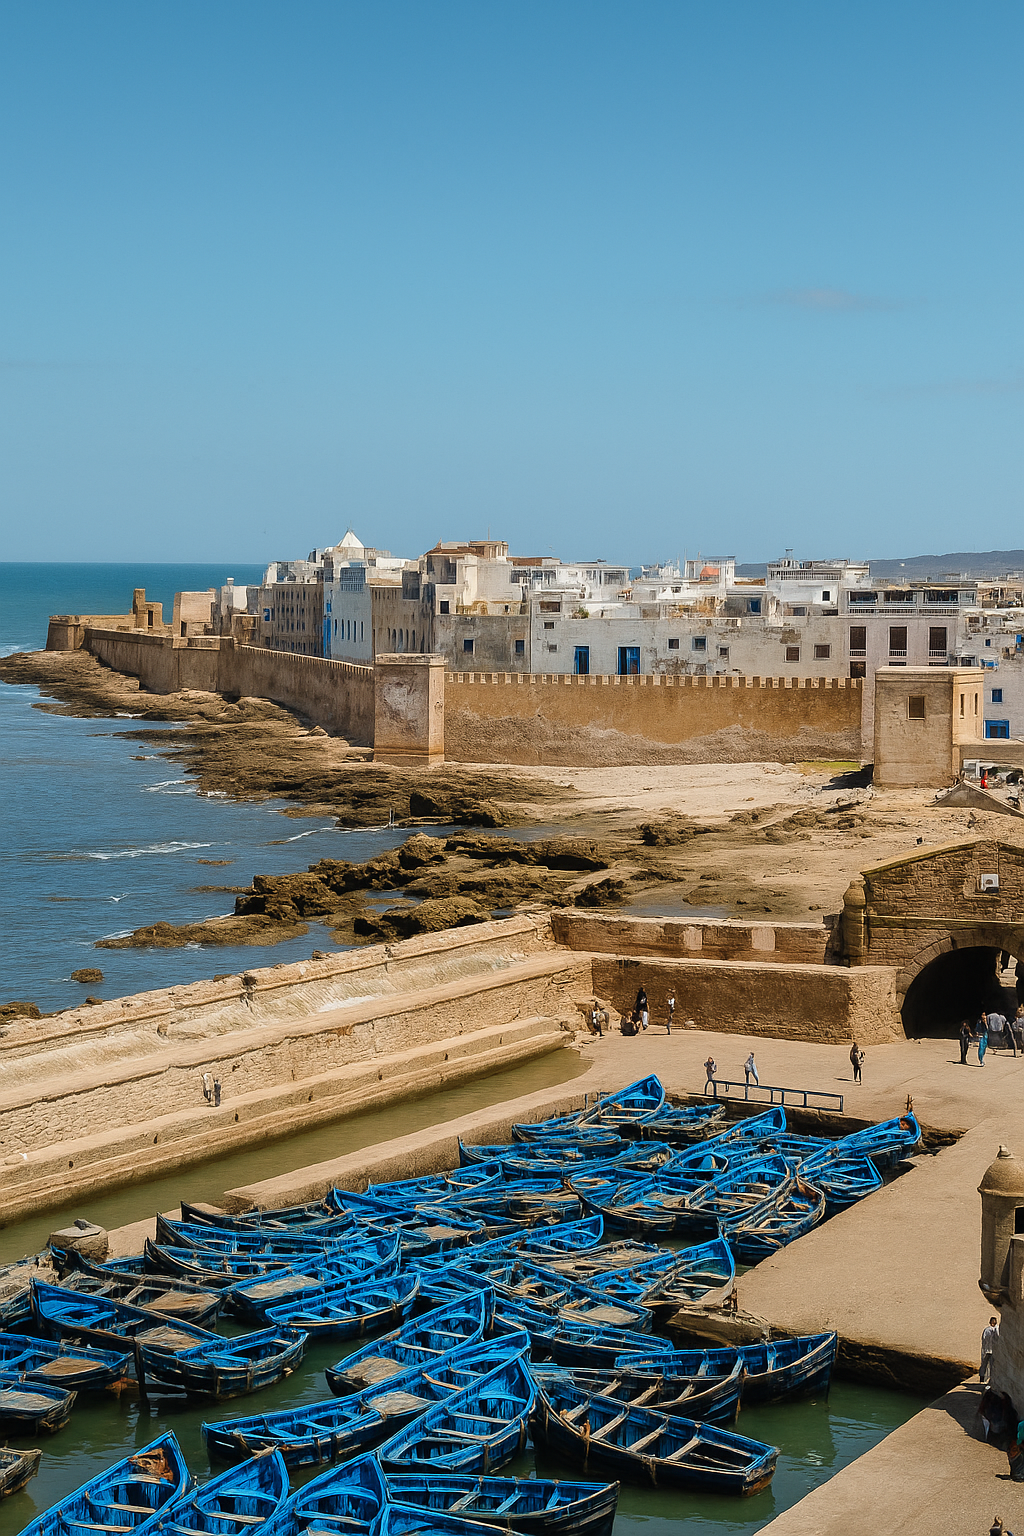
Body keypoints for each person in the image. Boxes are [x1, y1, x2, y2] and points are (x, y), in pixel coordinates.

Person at [981, 1316, 999, 1382]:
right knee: (989, 1364)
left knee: (985, 1364)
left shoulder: (987, 1330)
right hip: (990, 1350)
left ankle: (984, 1378)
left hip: (988, 1349)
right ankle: (986, 1378)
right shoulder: (992, 1329)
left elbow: (983, 1339)